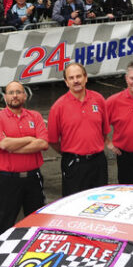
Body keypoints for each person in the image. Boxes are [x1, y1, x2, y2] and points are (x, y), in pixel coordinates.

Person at [0, 81, 49, 235]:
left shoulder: (35, 116)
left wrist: (12, 147)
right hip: (9, 180)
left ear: (25, 95)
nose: (15, 96)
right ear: (5, 97)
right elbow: (3, 144)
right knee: (4, 222)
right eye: (11, 92)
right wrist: (30, 138)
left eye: (18, 92)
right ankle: (0, 255)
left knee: (37, 221)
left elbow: (42, 143)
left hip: (33, 178)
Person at [48, 62, 110, 196]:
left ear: (86, 78)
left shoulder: (98, 99)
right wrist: (71, 152)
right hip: (74, 164)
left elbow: (104, 131)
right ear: (66, 82)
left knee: (101, 202)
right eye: (71, 78)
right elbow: (53, 140)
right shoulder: (58, 107)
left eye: (78, 76)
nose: (75, 81)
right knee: (74, 204)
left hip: (98, 162)